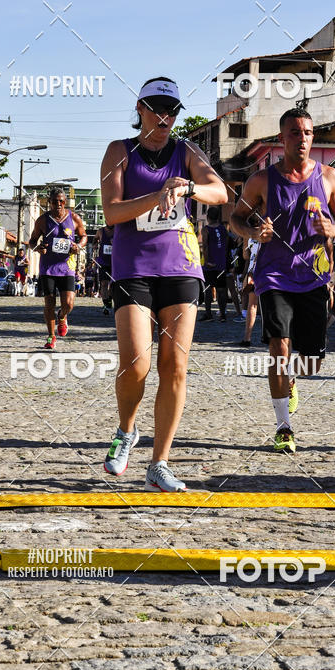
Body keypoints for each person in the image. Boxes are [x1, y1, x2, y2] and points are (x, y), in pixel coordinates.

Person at [101, 77, 227, 491]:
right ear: (140, 108)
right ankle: (126, 430)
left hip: (181, 265)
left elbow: (220, 192)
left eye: (171, 110)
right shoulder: (120, 151)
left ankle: (159, 462)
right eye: (156, 107)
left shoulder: (187, 150)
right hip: (133, 266)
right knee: (137, 362)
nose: (165, 117)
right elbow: (112, 212)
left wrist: (188, 186)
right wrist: (156, 195)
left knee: (175, 366)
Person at [231, 108, 335, 454]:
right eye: (295, 133)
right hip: (274, 276)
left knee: (311, 360)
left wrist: (333, 229)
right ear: (282, 138)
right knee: (279, 348)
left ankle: (293, 379)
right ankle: (284, 426)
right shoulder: (262, 180)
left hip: (314, 275)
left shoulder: (329, 176)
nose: (303, 139)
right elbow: (236, 219)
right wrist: (255, 231)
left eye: (308, 133)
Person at [28, 188, 87, 349]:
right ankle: (51, 336)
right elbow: (32, 241)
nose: (58, 205)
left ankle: (62, 316)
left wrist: (78, 246)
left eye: (61, 201)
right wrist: (38, 248)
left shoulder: (74, 218)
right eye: (55, 202)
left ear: (65, 202)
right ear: (49, 202)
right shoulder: (42, 220)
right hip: (48, 267)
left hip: (67, 266)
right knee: (49, 303)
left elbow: (84, 236)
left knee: (68, 303)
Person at [200, 207, 228, 322]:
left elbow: (205, 246)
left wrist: (207, 261)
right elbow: (226, 245)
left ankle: (208, 314)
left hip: (209, 265)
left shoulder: (206, 229)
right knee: (221, 290)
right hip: (221, 263)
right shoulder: (223, 229)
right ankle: (222, 315)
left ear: (207, 217)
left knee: (207, 289)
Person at [238, 235, 259, 347]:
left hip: (254, 271)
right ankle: (275, 337)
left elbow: (246, 256)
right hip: (271, 270)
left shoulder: (250, 235)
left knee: (252, 305)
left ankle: (247, 338)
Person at [95, 224, 114, 314]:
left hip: (115, 262)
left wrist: (117, 242)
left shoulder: (118, 230)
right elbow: (94, 240)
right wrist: (94, 245)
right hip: (103, 262)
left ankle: (109, 298)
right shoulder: (100, 231)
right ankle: (105, 304)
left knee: (113, 284)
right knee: (104, 283)